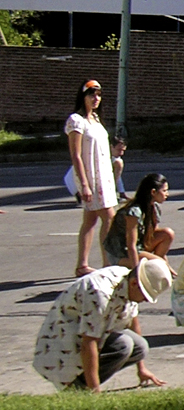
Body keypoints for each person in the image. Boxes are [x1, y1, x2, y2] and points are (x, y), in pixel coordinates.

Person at [33, 259, 172, 392]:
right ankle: (80, 390)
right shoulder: (100, 294)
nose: (145, 301)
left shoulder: (128, 281)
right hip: (65, 339)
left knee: (139, 347)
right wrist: (95, 391)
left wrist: (141, 369)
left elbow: (132, 322)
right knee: (124, 346)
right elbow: (89, 343)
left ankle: (85, 385)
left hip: (98, 330)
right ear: (134, 283)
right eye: (145, 296)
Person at [66, 80, 117, 277]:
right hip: (91, 179)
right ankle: (107, 262)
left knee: (90, 220)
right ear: (83, 97)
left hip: (104, 177)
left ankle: (82, 265)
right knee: (109, 218)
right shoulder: (76, 121)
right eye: (91, 95)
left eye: (98, 95)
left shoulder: (95, 119)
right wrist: (84, 185)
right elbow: (76, 155)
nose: (96, 99)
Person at [102, 173, 176, 273]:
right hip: (122, 253)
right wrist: (136, 273)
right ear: (153, 192)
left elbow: (151, 236)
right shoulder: (134, 213)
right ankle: (151, 267)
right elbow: (130, 245)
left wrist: (165, 264)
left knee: (168, 233)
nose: (167, 194)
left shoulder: (154, 208)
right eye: (164, 191)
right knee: (158, 264)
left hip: (140, 246)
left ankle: (157, 267)